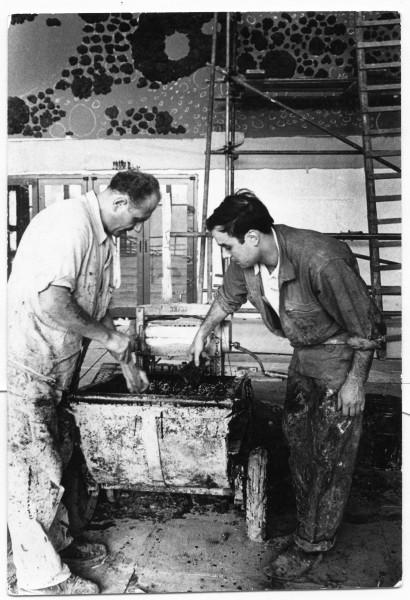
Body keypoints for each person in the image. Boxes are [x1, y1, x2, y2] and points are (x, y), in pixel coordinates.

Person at [189, 189, 384, 581]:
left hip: (339, 358)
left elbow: (366, 328)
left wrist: (355, 384)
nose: (227, 256)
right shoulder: (247, 262)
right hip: (304, 354)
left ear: (253, 237)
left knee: (331, 454)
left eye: (227, 247)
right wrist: (201, 334)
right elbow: (228, 299)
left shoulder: (321, 259)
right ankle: (307, 522)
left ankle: (312, 544)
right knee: (298, 440)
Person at [8, 169, 161, 594]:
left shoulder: (104, 240)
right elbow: (52, 301)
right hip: (25, 365)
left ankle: (51, 547)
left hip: (55, 369)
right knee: (32, 471)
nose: (137, 226)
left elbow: (92, 307)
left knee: (52, 462)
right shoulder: (69, 226)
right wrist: (110, 338)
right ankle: (41, 580)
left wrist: (121, 348)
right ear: (117, 203)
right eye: (138, 218)